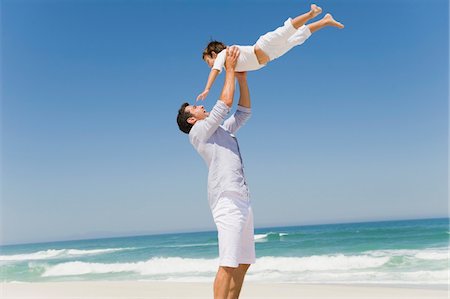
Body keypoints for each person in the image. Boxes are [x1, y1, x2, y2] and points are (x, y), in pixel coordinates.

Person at [177, 47, 254, 299]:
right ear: (192, 120)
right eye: (195, 108)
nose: (200, 106)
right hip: (227, 200)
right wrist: (229, 70)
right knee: (228, 263)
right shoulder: (199, 134)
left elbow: (243, 112)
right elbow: (225, 103)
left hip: (243, 199)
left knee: (243, 263)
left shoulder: (221, 131)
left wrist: (241, 78)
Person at [197, 4, 344, 101]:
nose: (209, 65)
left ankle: (311, 13)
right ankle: (325, 21)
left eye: (207, 61)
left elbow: (215, 70)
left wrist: (207, 89)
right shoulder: (231, 66)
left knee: (286, 31)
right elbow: (232, 80)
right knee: (297, 38)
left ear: (214, 55)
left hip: (263, 46)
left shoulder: (225, 54)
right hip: (271, 55)